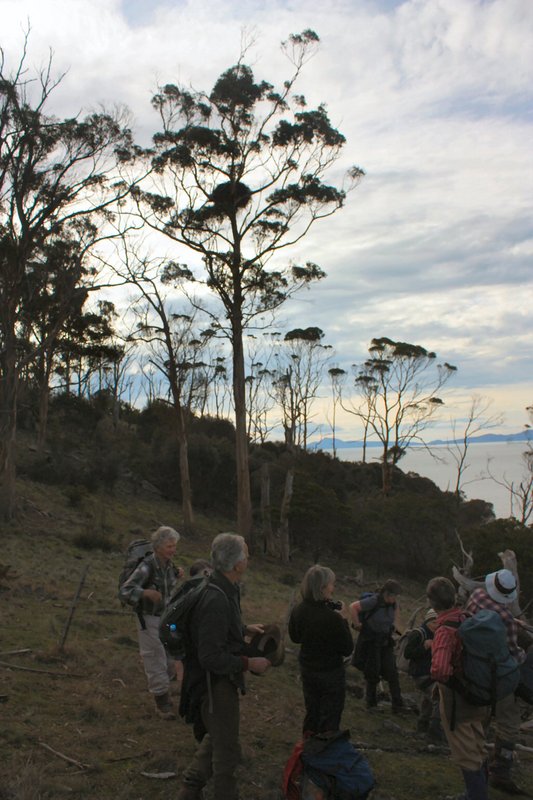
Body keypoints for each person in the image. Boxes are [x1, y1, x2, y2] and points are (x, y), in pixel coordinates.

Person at [177, 533, 270, 800]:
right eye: (246, 554)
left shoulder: (223, 587)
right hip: (213, 683)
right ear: (237, 564)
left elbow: (212, 630)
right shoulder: (216, 598)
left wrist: (242, 628)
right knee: (227, 750)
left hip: (215, 680)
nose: (249, 559)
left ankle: (190, 788)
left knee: (219, 736)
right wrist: (248, 662)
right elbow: (209, 656)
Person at [428, 576, 490, 800]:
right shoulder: (467, 617)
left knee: (465, 752)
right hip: (480, 692)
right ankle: (477, 791)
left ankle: (476, 795)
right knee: (478, 744)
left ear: (432, 603)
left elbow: (440, 671)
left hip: (458, 702)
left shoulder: (445, 630)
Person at [465, 568, 526, 793]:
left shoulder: (476, 597)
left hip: (472, 669)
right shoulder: (506, 619)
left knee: (479, 719)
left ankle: (475, 763)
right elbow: (514, 654)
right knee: (509, 721)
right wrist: (524, 653)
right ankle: (500, 770)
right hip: (497, 677)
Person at [118, 525, 184, 719]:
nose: (173, 549)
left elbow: (168, 589)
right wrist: (145, 593)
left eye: (174, 545)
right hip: (149, 619)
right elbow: (124, 591)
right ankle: (162, 702)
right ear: (158, 546)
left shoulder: (168, 565)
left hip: (168, 619)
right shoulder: (146, 566)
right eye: (169, 546)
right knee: (154, 657)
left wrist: (177, 575)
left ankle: (169, 690)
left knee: (172, 651)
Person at [288, 564, 353, 736]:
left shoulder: (298, 610)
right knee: (330, 716)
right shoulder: (334, 618)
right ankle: (325, 751)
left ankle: (308, 746)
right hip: (330, 673)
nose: (333, 588)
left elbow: (295, 637)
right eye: (332, 584)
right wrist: (344, 620)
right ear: (322, 587)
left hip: (308, 669)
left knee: (312, 710)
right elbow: (347, 648)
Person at [350, 579, 404, 712]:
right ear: (386, 593)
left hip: (385, 641)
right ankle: (371, 703)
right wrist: (357, 625)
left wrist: (403, 634)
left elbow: (397, 621)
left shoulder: (393, 604)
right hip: (371, 640)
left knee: (392, 671)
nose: (395, 599)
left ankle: (398, 705)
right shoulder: (374, 601)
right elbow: (353, 607)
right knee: (372, 671)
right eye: (393, 595)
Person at [403, 608, 443, 741]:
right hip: (420, 674)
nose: (436, 626)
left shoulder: (438, 634)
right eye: (433, 622)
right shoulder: (418, 634)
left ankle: (422, 725)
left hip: (432, 674)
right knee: (438, 697)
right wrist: (424, 647)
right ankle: (434, 730)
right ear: (427, 621)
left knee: (428, 699)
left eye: (438, 623)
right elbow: (408, 654)